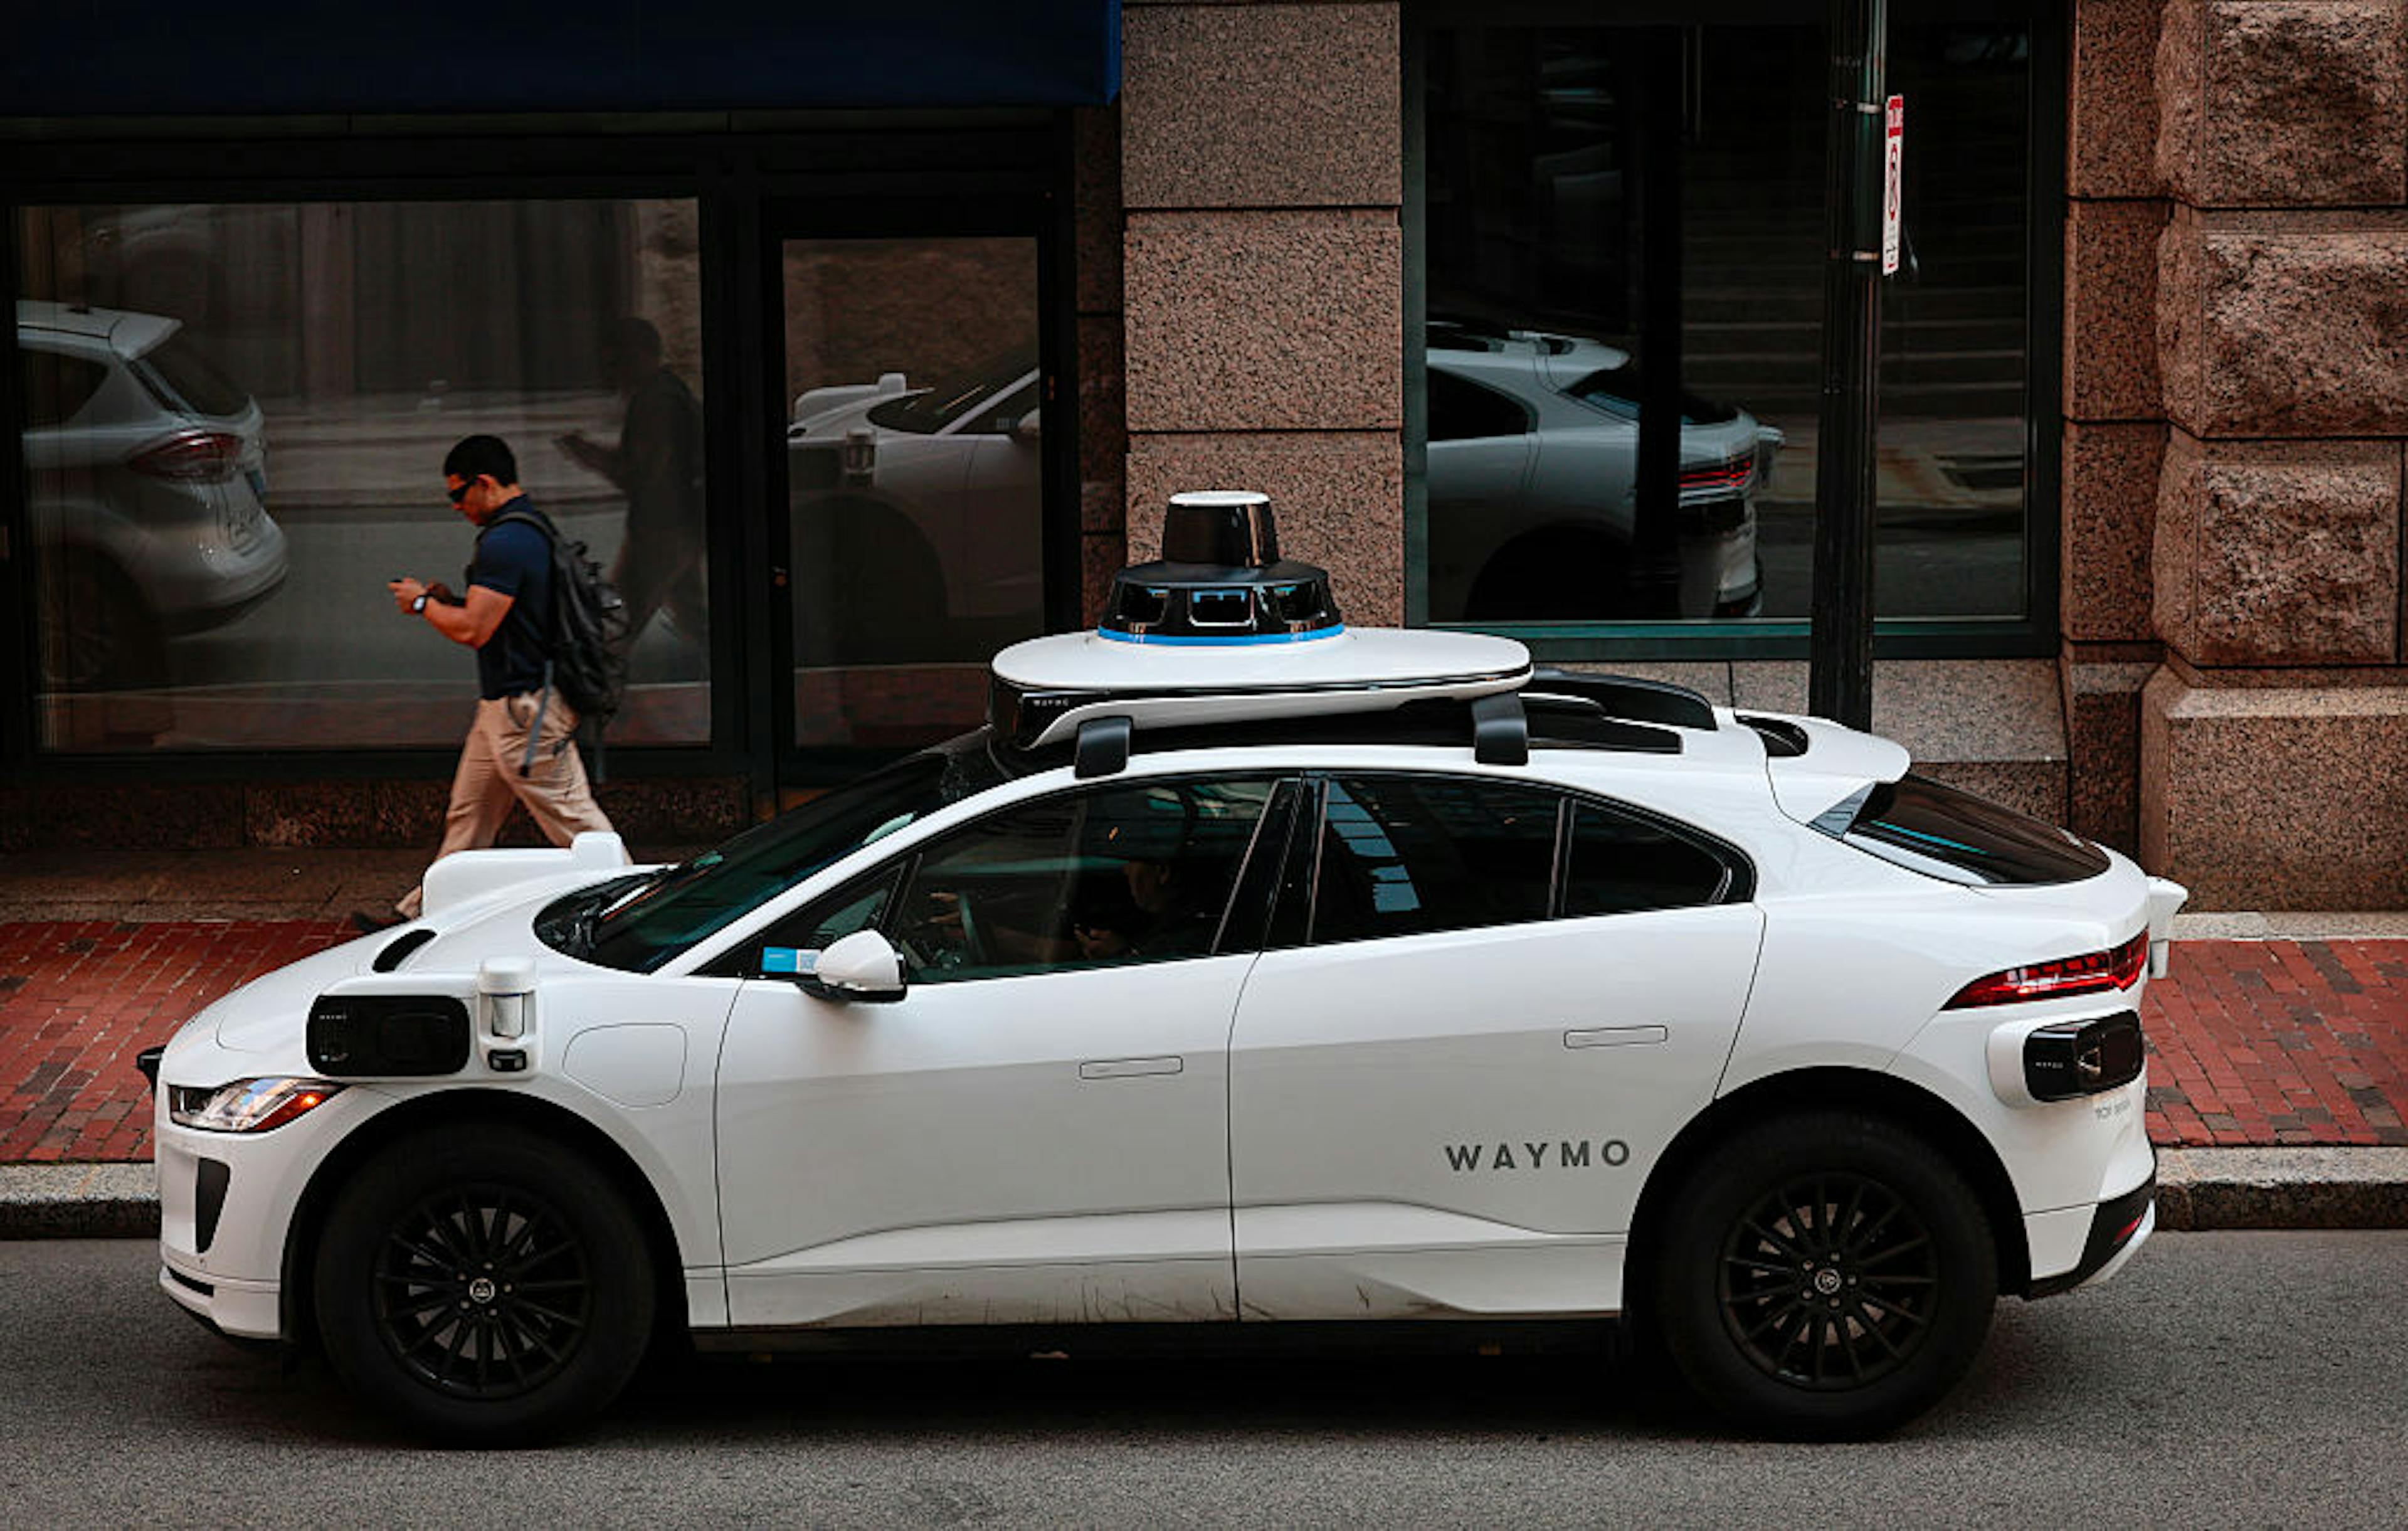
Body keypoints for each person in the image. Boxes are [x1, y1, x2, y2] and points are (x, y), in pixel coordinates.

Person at [359, 435, 622, 930]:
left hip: (526, 716)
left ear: (484, 483)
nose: (457, 507)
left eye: (458, 495)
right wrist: (449, 599)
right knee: (469, 820)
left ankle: (635, 911)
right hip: (505, 709)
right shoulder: (530, 527)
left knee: (579, 826)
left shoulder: (506, 540)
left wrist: (421, 603)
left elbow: (474, 629)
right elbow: (505, 619)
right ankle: (417, 919)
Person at [556, 317, 705, 649]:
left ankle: (595, 693)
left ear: (638, 355)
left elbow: (643, 477)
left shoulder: (657, 402)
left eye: (615, 362)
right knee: (692, 614)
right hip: (679, 526)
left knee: (616, 624)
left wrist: (591, 456)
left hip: (662, 530)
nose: (611, 374)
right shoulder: (667, 393)